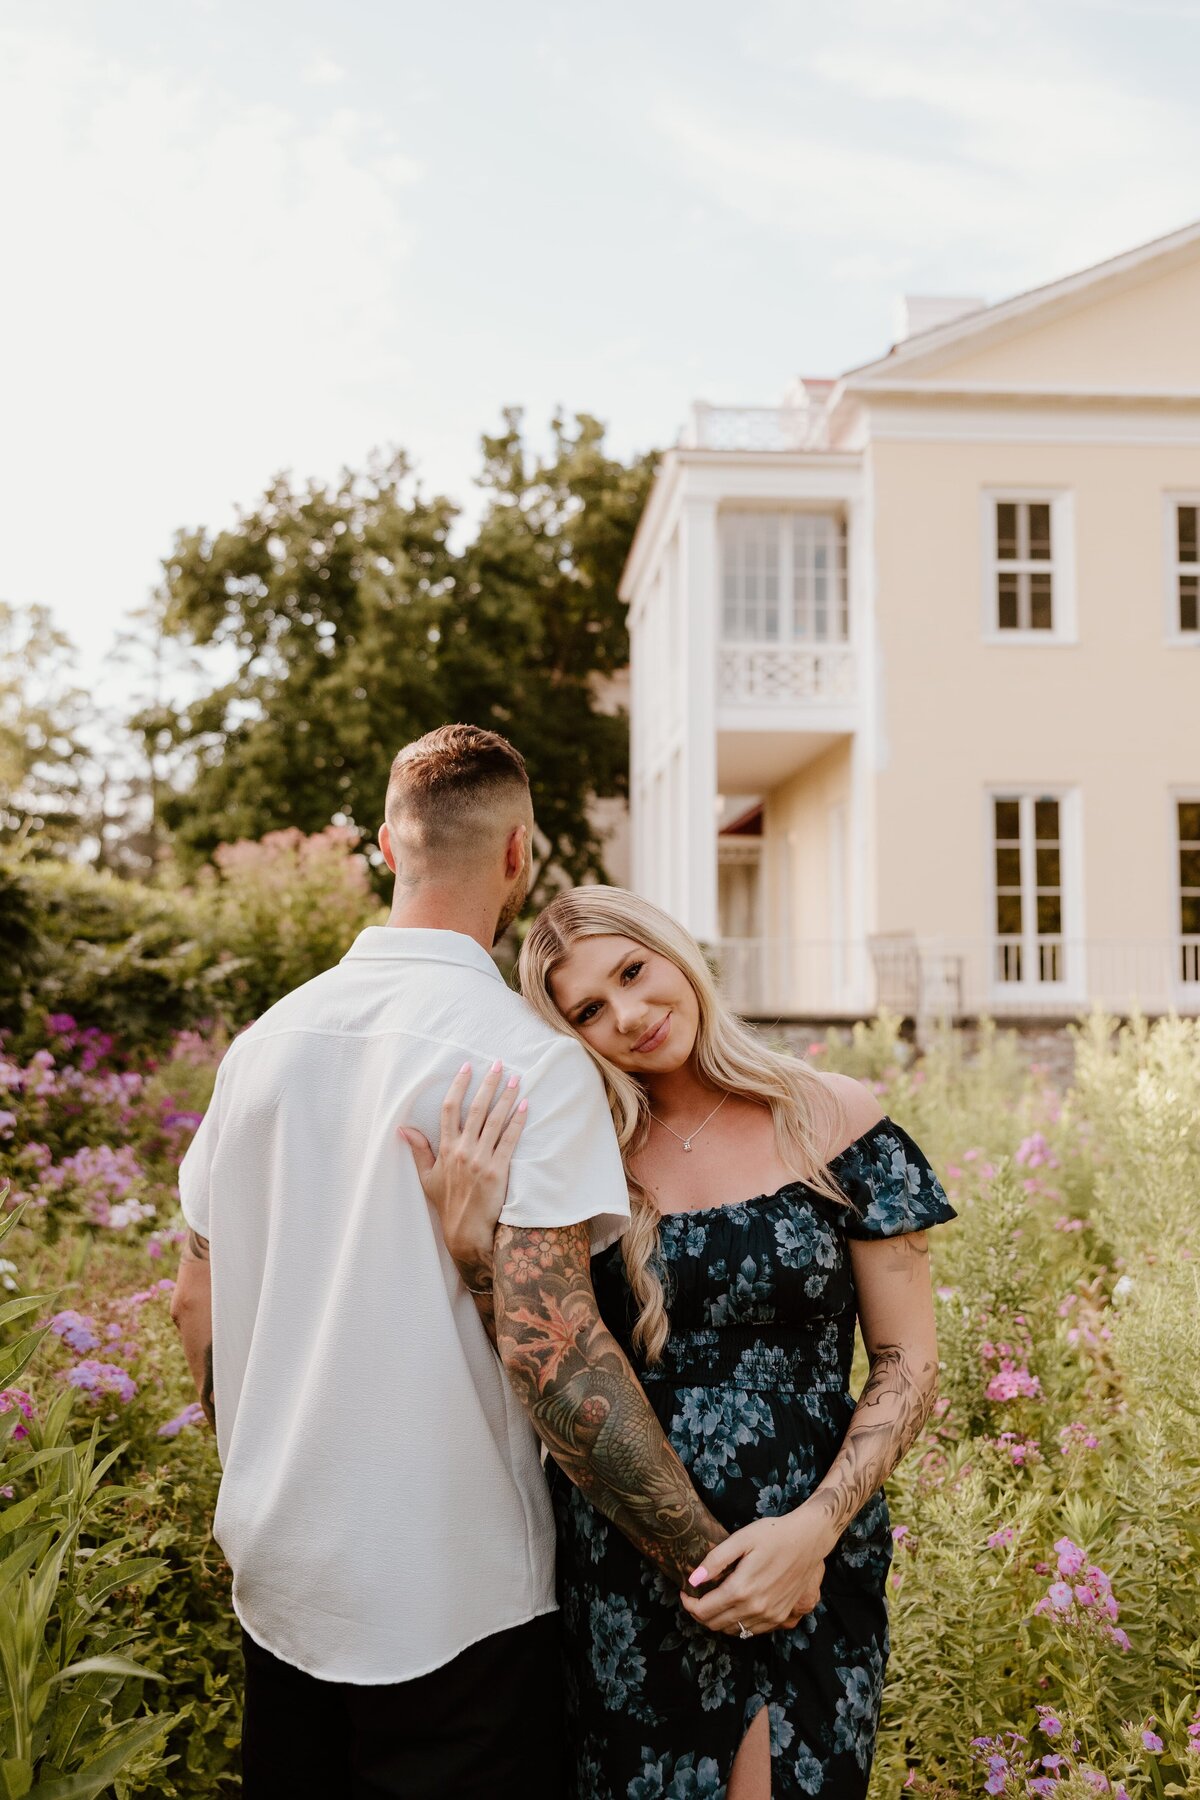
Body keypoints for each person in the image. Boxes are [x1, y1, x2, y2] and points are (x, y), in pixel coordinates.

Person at [170, 728, 726, 1800]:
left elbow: (196, 1298)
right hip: (456, 1605)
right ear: (520, 853)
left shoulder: (260, 1051)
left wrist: (265, 1460)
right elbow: (557, 1356)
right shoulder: (531, 1066)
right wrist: (707, 1559)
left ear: (388, 845)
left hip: (281, 1576)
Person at [422, 884, 956, 1800]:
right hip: (631, 1564)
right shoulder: (577, 1154)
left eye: (634, 972)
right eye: (588, 1009)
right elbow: (543, 1364)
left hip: (810, 1558)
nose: (628, 1015)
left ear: (674, 953)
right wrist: (476, 1253)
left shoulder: (833, 1117)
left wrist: (814, 1531)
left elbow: (908, 1362)